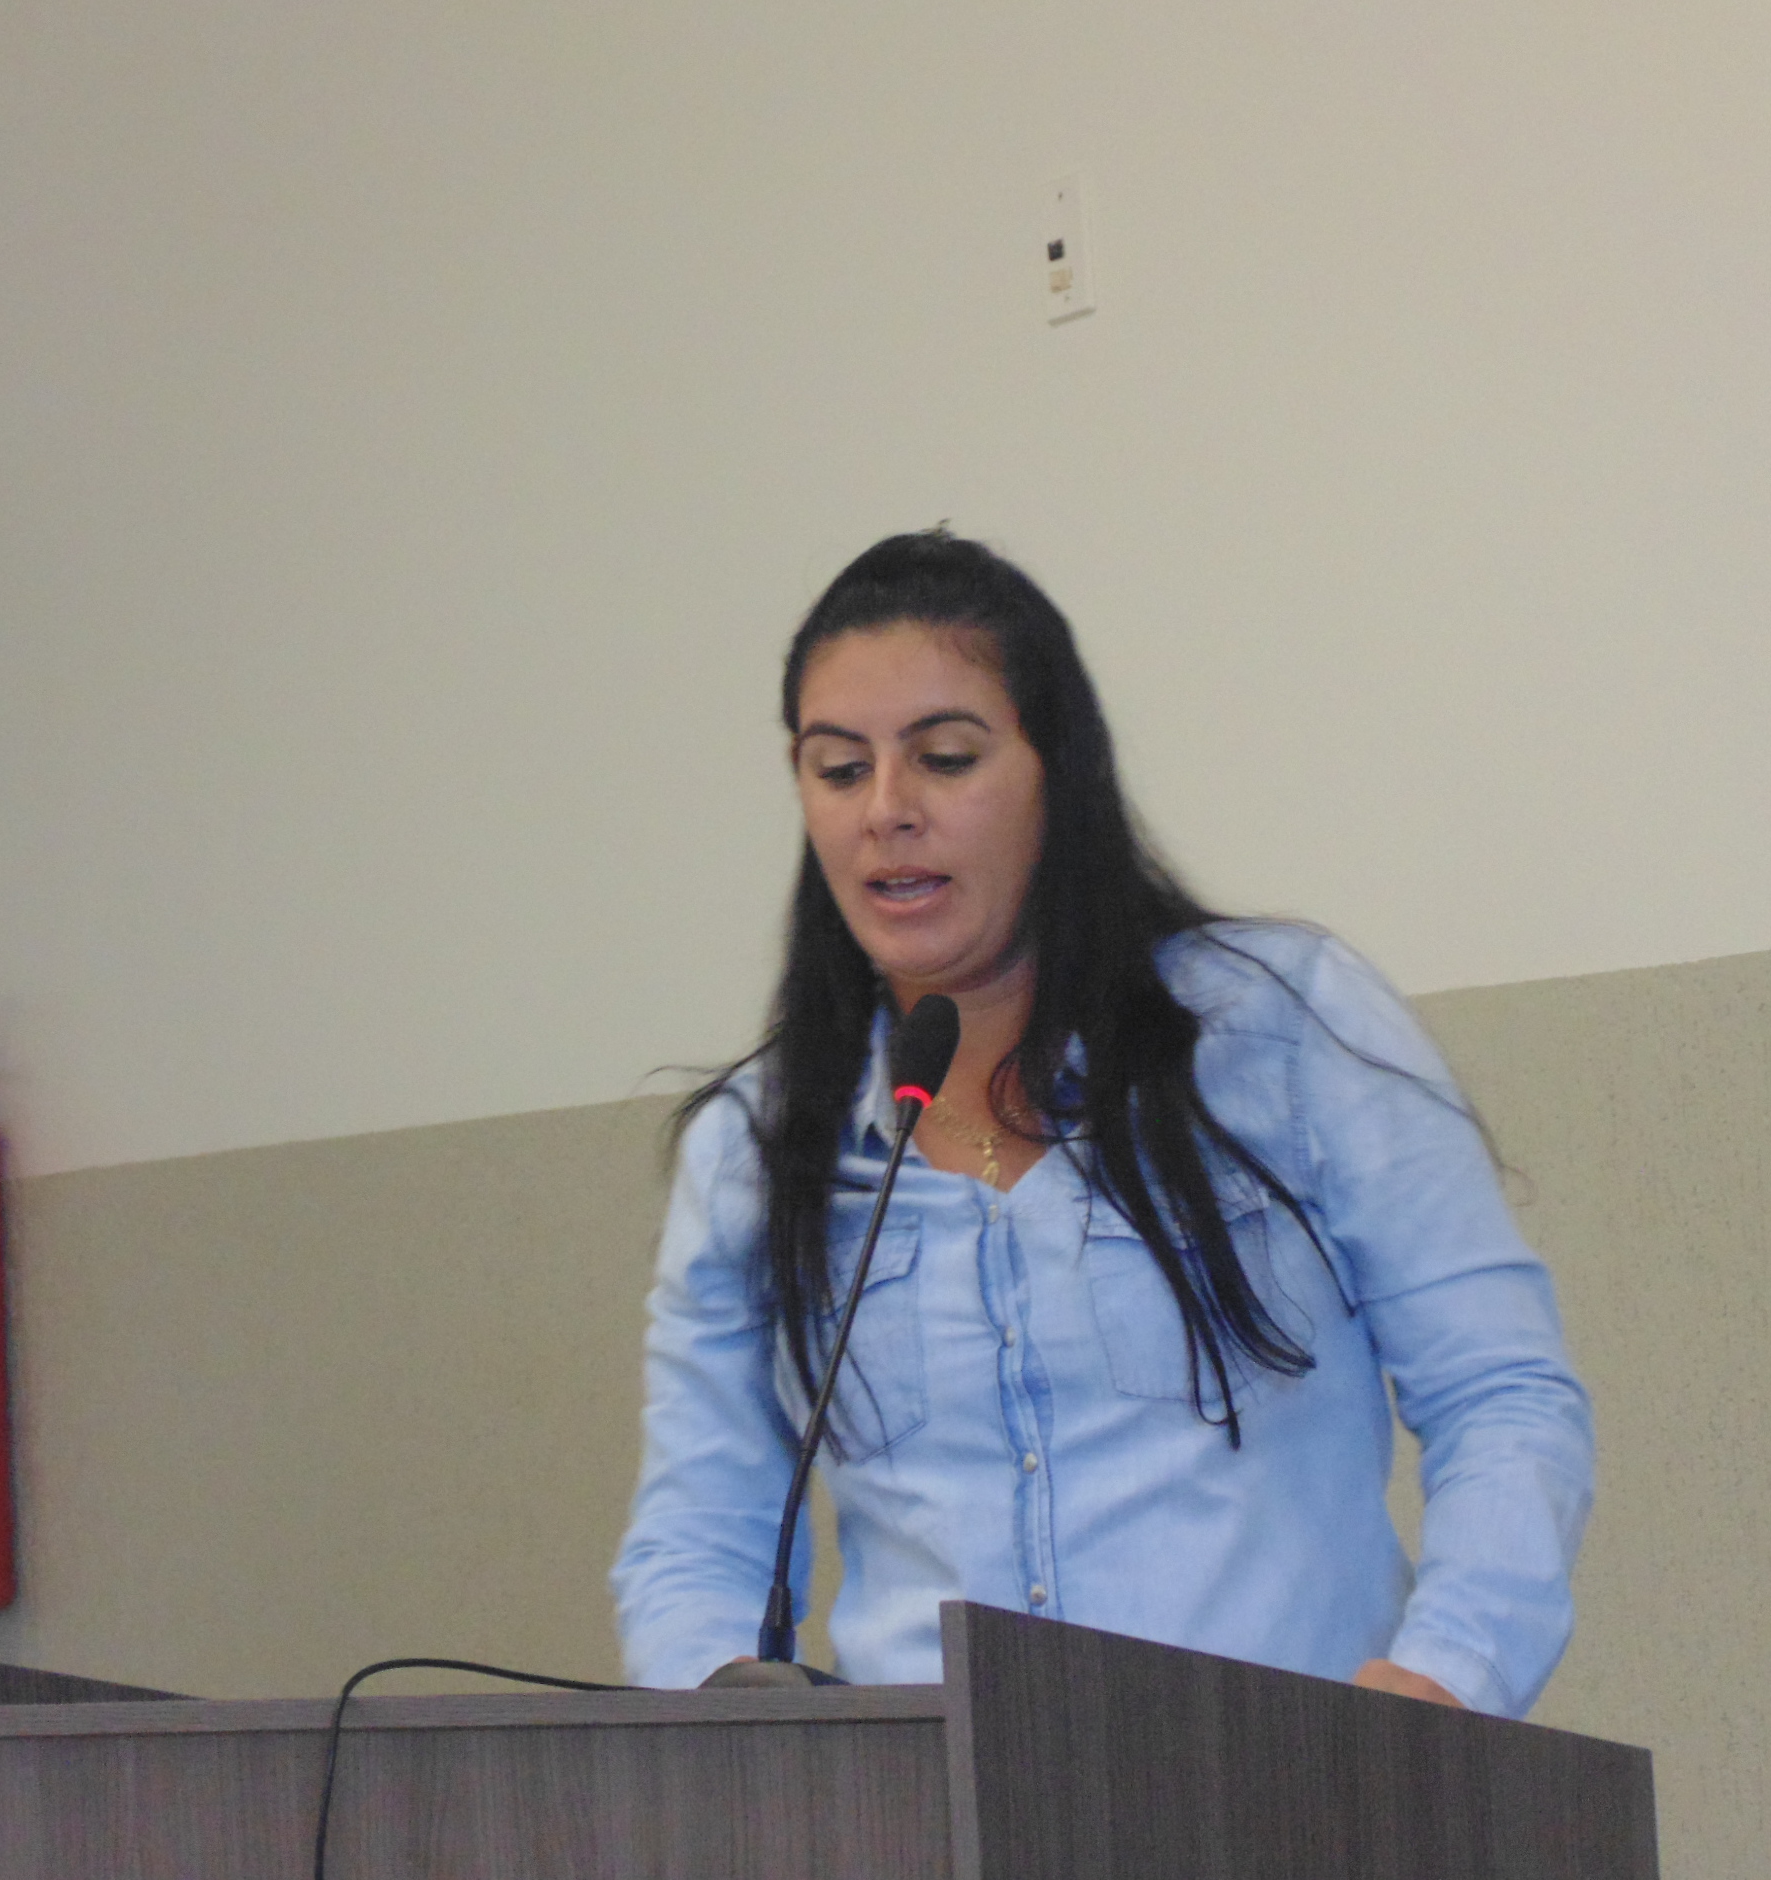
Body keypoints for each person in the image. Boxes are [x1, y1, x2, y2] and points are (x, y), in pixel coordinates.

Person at [611, 529, 1592, 1716]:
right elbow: (695, 1533)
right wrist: (730, 1713)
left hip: (1289, 1787)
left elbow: (1503, 1394)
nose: (887, 811)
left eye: (945, 758)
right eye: (839, 769)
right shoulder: (758, 1148)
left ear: (1056, 770)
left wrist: (1444, 1678)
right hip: (931, 1805)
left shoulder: (1281, 1031)